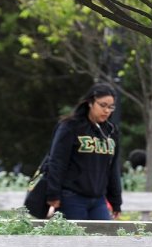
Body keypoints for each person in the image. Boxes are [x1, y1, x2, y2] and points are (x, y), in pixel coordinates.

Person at [46, 83, 122, 220]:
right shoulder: (70, 126)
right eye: (103, 105)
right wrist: (53, 194)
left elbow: (112, 168)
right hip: (72, 197)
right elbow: (57, 161)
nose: (107, 111)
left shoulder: (111, 131)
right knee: (76, 240)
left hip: (98, 200)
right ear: (90, 103)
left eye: (111, 107)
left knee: (105, 238)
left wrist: (116, 201)